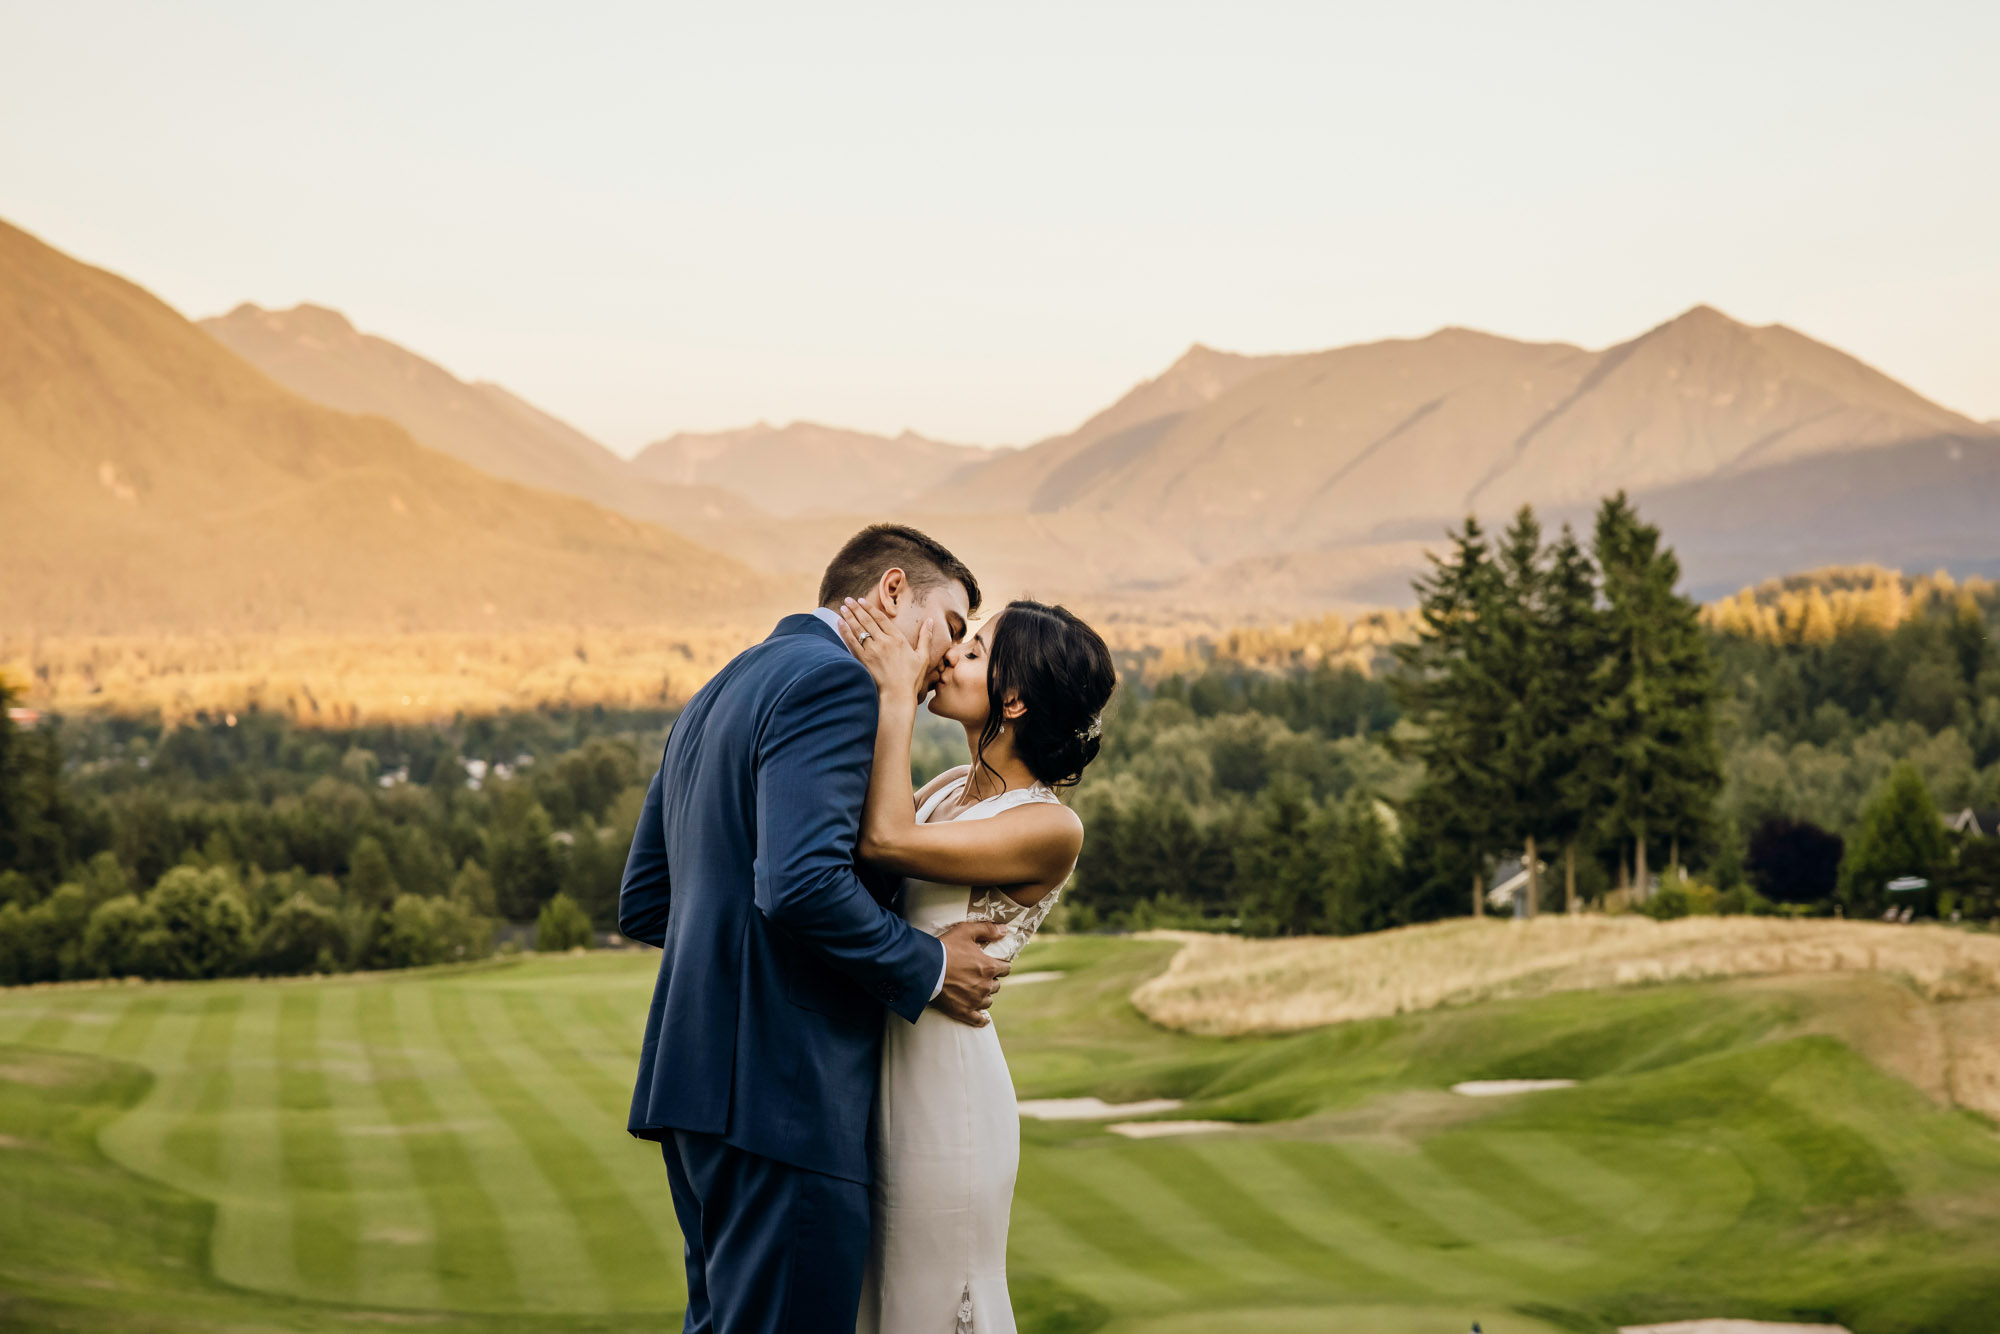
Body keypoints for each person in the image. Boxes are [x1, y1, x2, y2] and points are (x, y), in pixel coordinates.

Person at [618, 524, 1012, 1334]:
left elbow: (649, 898)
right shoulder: (835, 684)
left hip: (693, 1092)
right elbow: (800, 883)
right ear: (893, 591)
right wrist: (927, 964)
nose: (948, 657)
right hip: (786, 1098)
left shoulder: (720, 689)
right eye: (949, 629)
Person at [834, 593, 1117, 1334]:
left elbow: (884, 841)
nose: (952, 654)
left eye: (977, 649)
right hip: (879, 1063)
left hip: (946, 1087)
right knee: (875, 1294)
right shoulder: (947, 792)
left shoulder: (1049, 826)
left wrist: (896, 690)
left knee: (931, 1290)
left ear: (1015, 698)